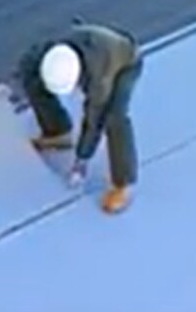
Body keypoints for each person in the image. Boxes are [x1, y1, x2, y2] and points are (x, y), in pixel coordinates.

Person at [17, 19, 144, 214]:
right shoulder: (52, 54)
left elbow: (94, 121)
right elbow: (30, 65)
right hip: (93, 44)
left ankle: (122, 183)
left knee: (114, 118)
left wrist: (81, 160)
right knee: (30, 73)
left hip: (126, 61)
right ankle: (57, 131)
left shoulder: (99, 80)